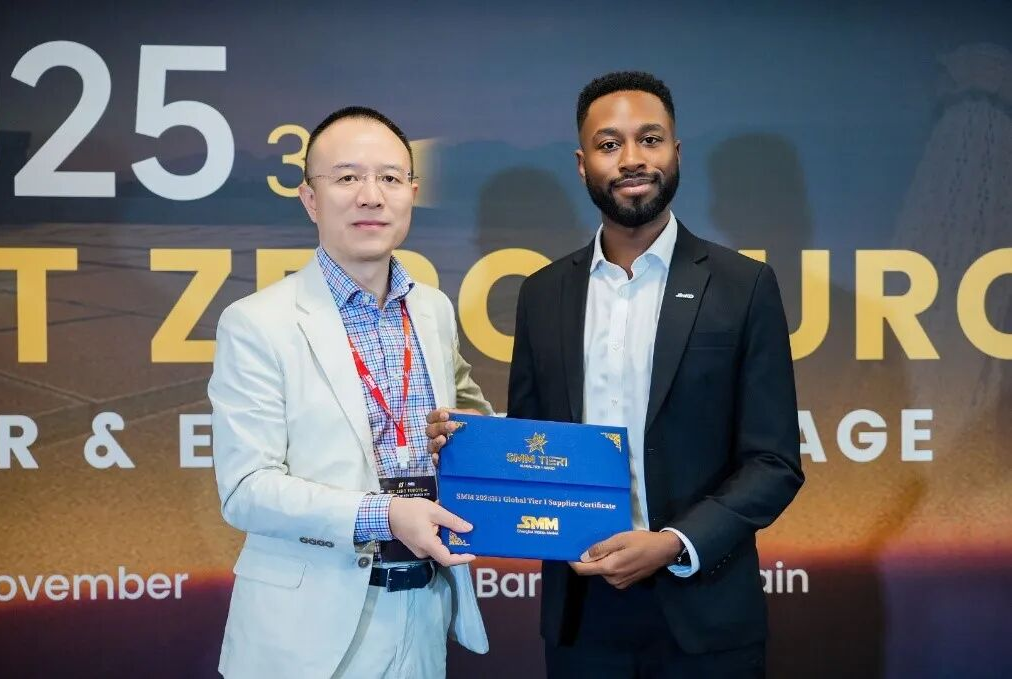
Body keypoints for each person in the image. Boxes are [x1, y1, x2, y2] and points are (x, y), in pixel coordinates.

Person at [429, 71, 804, 677]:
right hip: (582, 615)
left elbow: (773, 461)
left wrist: (675, 544)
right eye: (609, 144)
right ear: (583, 165)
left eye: (649, 139)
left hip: (705, 610)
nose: (632, 159)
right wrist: (471, 445)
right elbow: (535, 442)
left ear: (676, 152)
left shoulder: (744, 286)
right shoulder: (542, 294)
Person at [209, 106, 491, 679]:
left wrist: (476, 439)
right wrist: (385, 515)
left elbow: (471, 418)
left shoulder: (433, 310)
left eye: (389, 177)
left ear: (412, 193)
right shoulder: (257, 322)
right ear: (310, 199)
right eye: (346, 177)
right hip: (305, 635)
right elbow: (245, 490)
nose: (371, 196)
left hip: (425, 607)